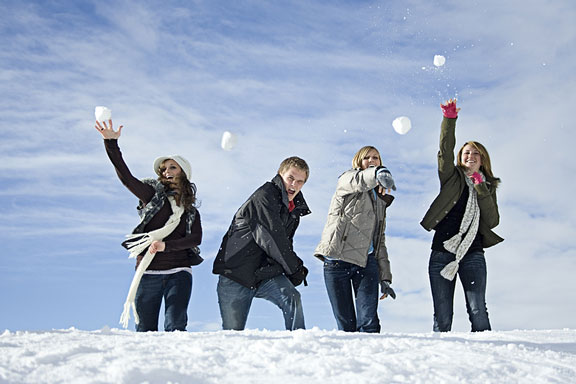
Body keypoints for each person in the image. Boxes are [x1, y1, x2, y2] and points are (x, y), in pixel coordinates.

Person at [95, 119, 202, 332]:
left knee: (176, 325)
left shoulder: (190, 211)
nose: (166, 172)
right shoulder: (152, 197)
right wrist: (111, 143)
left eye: (173, 167)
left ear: (183, 173)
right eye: (163, 169)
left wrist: (166, 246)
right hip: (148, 272)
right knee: (144, 330)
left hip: (179, 272)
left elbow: (195, 239)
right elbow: (126, 178)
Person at [421, 99, 503, 332]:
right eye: (466, 152)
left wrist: (480, 187)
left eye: (476, 153)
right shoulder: (451, 177)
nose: (471, 156)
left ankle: (488, 356)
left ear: (482, 159)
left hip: (473, 253)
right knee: (443, 313)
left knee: (477, 309)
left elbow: (493, 220)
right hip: (442, 251)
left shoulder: (489, 186)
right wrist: (449, 119)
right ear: (460, 157)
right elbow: (444, 151)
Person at [212, 157, 311, 331]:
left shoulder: (294, 209)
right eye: (290, 178)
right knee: (233, 334)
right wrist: (295, 268)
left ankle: (299, 343)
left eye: (300, 181)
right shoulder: (264, 196)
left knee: (292, 297)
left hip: (264, 274)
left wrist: (292, 269)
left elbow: (285, 244)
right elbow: (273, 239)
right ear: (280, 174)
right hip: (235, 274)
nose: (294, 185)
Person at [314, 146, 397, 333]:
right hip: (337, 261)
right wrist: (378, 172)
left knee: (369, 323)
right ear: (358, 162)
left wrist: (385, 277)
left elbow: (379, 240)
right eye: (366, 157)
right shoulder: (348, 180)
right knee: (346, 326)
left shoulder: (380, 200)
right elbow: (359, 180)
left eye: (376, 157)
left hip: (365, 262)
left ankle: (372, 361)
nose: (371, 160)